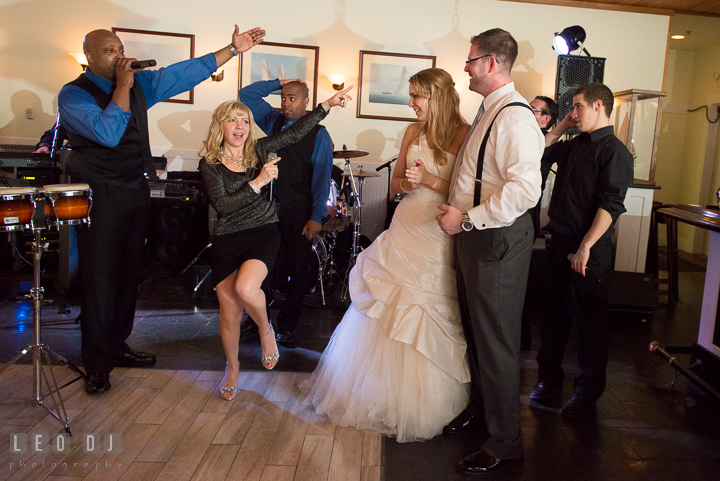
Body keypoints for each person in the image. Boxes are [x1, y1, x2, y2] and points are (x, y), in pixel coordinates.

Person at [58, 25, 267, 395]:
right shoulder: (73, 94)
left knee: (127, 275)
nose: (119, 55)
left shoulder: (141, 85)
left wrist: (231, 50)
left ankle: (117, 346)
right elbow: (107, 132)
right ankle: (96, 362)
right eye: (109, 50)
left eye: (120, 48)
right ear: (89, 56)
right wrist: (122, 85)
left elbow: (185, 72)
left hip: (134, 191)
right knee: (99, 279)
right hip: (99, 194)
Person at [304, 68, 471, 442]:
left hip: (437, 229)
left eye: (417, 97)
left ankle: (425, 401)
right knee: (386, 304)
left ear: (438, 96)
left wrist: (428, 181)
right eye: (410, 96)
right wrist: (406, 183)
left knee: (424, 305)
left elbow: (466, 190)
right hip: (407, 222)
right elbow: (394, 183)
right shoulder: (411, 132)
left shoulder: (464, 133)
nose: (410, 104)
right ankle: (374, 392)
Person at [198, 86, 352, 401]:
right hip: (227, 237)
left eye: (244, 120)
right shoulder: (209, 165)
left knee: (247, 288)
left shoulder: (260, 149)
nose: (239, 127)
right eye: (232, 121)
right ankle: (233, 367)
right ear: (221, 127)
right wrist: (258, 182)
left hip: (262, 230)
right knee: (228, 314)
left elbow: (296, 133)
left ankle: (268, 329)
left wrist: (326, 105)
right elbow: (224, 207)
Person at [436, 29, 544, 474]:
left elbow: (525, 191)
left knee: (497, 340)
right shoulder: (487, 110)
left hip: (496, 237)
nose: (465, 66)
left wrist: (465, 219)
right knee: (478, 334)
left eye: (470, 59)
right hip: (475, 236)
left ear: (493, 63)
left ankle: (505, 442)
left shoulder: (515, 117)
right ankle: (484, 415)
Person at [530, 83, 633, 418]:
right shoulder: (574, 144)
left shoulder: (615, 152)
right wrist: (562, 125)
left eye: (577, 107)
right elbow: (541, 149)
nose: (573, 113)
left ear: (598, 105)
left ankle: (588, 391)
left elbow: (611, 204)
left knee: (588, 324)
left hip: (588, 250)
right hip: (559, 243)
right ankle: (548, 380)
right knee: (552, 317)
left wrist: (585, 246)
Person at [239, 78, 333, 346]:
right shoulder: (274, 122)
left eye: (292, 98)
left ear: (307, 101)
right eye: (283, 97)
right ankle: (258, 321)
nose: (286, 103)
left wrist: (316, 217)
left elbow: (322, 177)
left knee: (297, 269)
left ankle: (288, 326)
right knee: (262, 266)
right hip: (269, 207)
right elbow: (246, 94)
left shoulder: (319, 133)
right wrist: (280, 82)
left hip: (299, 209)